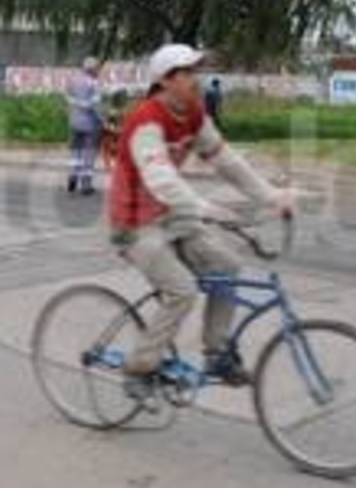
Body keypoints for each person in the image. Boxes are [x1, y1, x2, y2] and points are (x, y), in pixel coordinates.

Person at [110, 43, 293, 392]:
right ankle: (138, 368)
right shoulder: (145, 121)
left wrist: (271, 196)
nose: (196, 79)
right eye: (187, 72)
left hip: (173, 215)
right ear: (165, 80)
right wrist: (204, 208)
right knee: (182, 290)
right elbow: (160, 178)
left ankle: (216, 352)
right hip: (134, 222)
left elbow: (226, 161)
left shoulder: (193, 113)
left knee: (227, 267)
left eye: (196, 71)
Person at [66, 57, 104, 195]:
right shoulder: (93, 83)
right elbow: (96, 106)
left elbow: (68, 99)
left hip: (74, 122)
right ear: (92, 69)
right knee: (89, 152)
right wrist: (102, 120)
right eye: (98, 68)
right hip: (90, 124)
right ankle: (86, 185)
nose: (99, 71)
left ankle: (72, 176)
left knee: (75, 151)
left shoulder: (73, 80)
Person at [100, 90, 129, 172]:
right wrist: (115, 129)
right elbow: (106, 124)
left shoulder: (121, 111)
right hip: (111, 134)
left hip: (116, 134)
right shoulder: (112, 112)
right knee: (109, 146)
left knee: (113, 148)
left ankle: (113, 164)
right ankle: (110, 165)